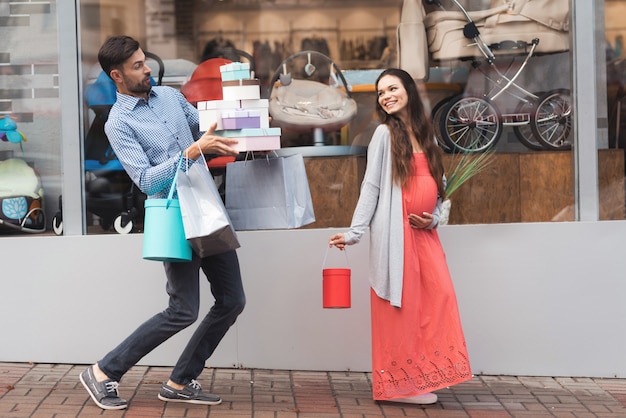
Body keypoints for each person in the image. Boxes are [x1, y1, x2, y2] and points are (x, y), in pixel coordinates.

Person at [79, 35, 245, 411]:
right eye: (138, 66)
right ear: (117, 76)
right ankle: (104, 371)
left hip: (207, 206)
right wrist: (192, 152)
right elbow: (147, 180)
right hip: (174, 216)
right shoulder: (117, 123)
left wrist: (243, 117)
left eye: (145, 61)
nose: (147, 68)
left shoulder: (170, 97)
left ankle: (180, 380)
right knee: (183, 309)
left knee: (233, 300)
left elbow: (205, 127)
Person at [328, 68, 472, 405]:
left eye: (392, 88)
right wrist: (354, 232)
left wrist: (434, 218)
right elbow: (372, 187)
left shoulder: (427, 134)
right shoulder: (383, 134)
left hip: (425, 237)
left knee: (439, 302)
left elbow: (441, 189)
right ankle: (400, 387)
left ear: (408, 89)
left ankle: (422, 377)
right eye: (380, 92)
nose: (386, 96)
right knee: (403, 311)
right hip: (398, 237)